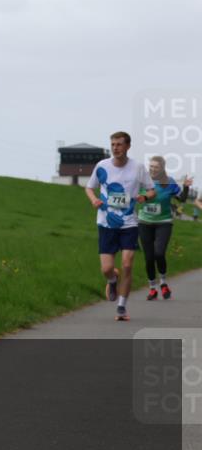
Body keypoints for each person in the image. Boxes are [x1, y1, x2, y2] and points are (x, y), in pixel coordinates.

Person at [85, 132, 156, 321]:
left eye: (119, 144)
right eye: (113, 144)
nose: (115, 147)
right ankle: (112, 279)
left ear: (128, 146)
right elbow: (89, 187)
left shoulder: (138, 168)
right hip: (106, 223)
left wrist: (144, 197)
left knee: (127, 264)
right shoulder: (102, 166)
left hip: (129, 223)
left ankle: (121, 307)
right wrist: (94, 200)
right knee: (107, 269)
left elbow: (152, 190)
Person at [138, 157, 193, 300]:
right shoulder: (143, 180)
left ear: (162, 168)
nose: (152, 169)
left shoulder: (169, 182)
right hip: (144, 222)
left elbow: (182, 199)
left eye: (156, 167)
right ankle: (152, 288)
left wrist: (186, 187)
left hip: (164, 222)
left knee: (159, 253)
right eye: (150, 166)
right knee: (149, 257)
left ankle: (163, 282)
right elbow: (132, 195)